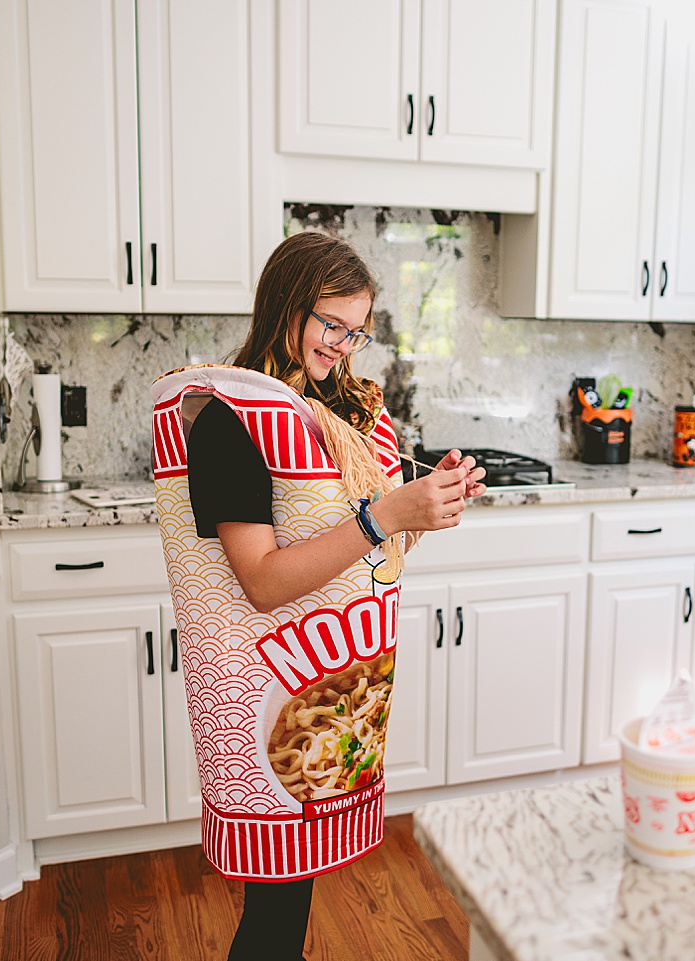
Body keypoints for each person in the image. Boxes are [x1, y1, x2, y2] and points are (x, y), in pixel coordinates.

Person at [150, 231, 485, 961]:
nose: (341, 344)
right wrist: (386, 515)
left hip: (326, 691)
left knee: (289, 895)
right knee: (272, 910)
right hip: (260, 686)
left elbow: (361, 538)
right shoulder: (229, 420)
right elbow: (265, 581)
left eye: (355, 329)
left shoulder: (334, 414)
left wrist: (426, 503)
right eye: (330, 323)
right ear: (286, 306)